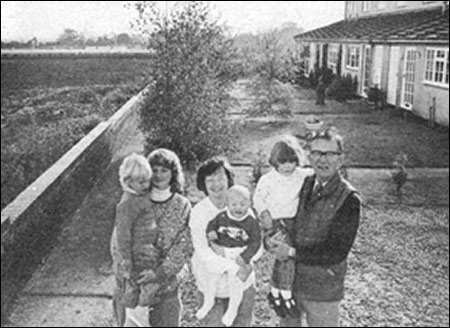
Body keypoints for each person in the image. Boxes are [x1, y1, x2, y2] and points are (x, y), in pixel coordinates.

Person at [270, 127, 361, 327]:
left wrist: (291, 251)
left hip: (323, 290)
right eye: (317, 153)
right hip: (291, 283)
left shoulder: (349, 199)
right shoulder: (302, 183)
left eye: (330, 154)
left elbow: (336, 252)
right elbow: (285, 218)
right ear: (309, 157)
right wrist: (274, 236)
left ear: (340, 159)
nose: (323, 159)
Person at [111, 149, 192, 327]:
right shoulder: (134, 198)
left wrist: (158, 273)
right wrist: (130, 272)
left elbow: (183, 245)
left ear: (173, 173)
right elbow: (118, 239)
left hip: (166, 286)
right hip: (133, 283)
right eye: (154, 170)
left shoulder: (182, 204)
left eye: (164, 170)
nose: (158, 175)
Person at [190, 157, 258, 327]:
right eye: (210, 180)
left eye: (220, 177)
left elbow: (257, 245)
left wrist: (241, 258)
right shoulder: (200, 212)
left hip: (243, 285)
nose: (216, 184)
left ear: (229, 179)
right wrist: (234, 264)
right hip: (213, 288)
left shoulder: (243, 208)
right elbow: (203, 252)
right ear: (203, 184)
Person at [253, 135, 312, 319]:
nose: (288, 166)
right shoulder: (268, 179)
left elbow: (315, 173)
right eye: (283, 162)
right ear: (275, 161)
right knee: (286, 256)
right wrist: (264, 214)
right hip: (275, 223)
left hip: (293, 222)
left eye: (292, 161)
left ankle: (275, 291)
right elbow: (257, 198)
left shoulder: (301, 175)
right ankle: (286, 295)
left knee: (282, 259)